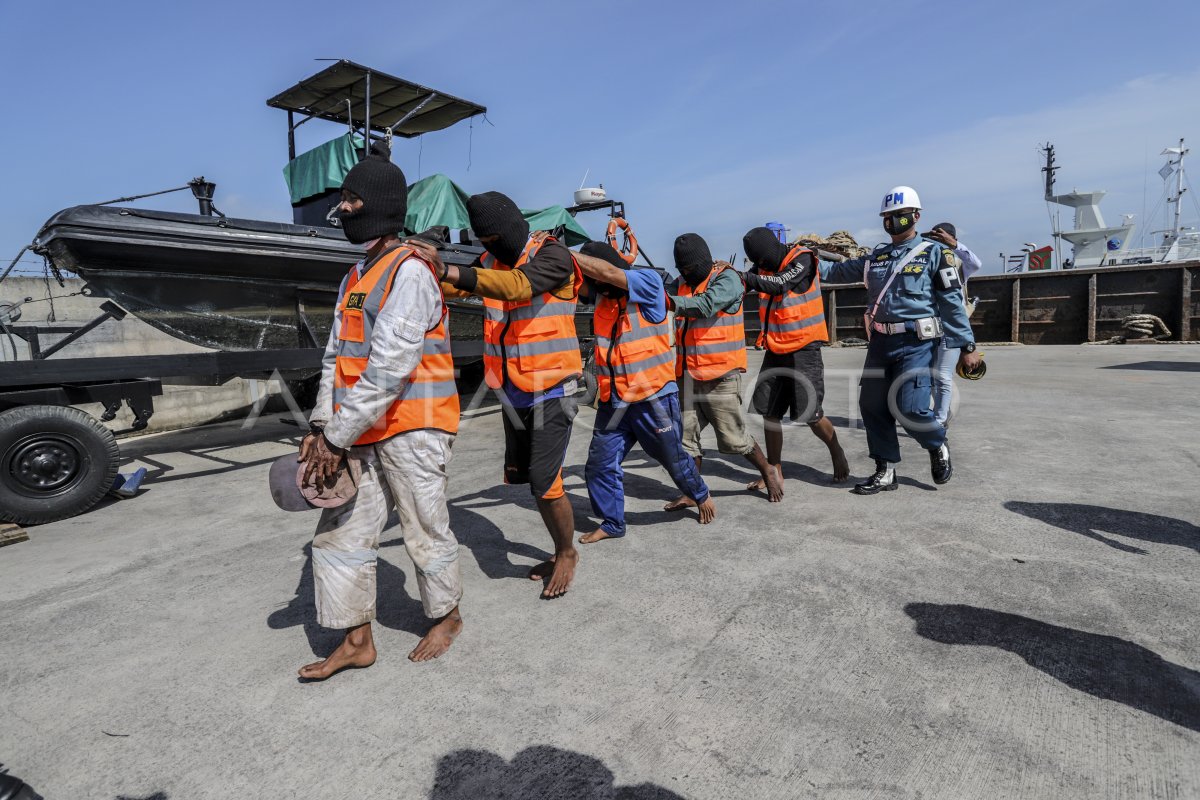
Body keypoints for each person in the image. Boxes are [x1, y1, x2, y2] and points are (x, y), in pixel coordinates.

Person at [299, 153, 463, 680]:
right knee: (341, 529)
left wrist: (337, 436)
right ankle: (356, 640)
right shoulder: (355, 275)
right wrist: (324, 427)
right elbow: (335, 357)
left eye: (350, 200)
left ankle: (447, 616)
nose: (340, 209)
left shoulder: (410, 273)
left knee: (424, 528)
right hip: (359, 431)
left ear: (379, 206)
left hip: (415, 427)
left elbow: (392, 366)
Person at [408, 192, 582, 598]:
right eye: (482, 242)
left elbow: (518, 287)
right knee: (526, 479)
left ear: (511, 230)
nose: (488, 248)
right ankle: (561, 548)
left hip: (555, 388)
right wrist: (420, 267)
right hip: (514, 388)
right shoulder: (490, 261)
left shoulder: (553, 256)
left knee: (545, 480)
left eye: (493, 240)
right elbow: (461, 287)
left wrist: (451, 269)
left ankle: (566, 553)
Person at [819, 186, 981, 494]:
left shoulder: (936, 254)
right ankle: (886, 469)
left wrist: (967, 346)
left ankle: (937, 443)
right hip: (880, 342)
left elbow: (951, 304)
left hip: (917, 342)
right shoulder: (876, 257)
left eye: (900, 216)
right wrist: (800, 261)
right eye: (888, 217)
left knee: (912, 408)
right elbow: (834, 271)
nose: (893, 221)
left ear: (916, 216)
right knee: (872, 406)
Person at [572, 241, 716, 543]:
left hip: (655, 399)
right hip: (615, 402)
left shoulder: (648, 284)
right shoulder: (603, 300)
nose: (595, 286)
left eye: (597, 278)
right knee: (599, 464)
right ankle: (612, 523)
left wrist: (566, 252)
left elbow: (608, 272)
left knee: (673, 459)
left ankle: (700, 494)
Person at [664, 233, 783, 508]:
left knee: (734, 438)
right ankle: (693, 491)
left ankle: (767, 470)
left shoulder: (727, 278)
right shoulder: (681, 282)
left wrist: (669, 302)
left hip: (720, 375)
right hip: (687, 374)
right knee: (686, 439)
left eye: (689, 270)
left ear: (702, 263)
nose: (685, 275)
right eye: (681, 270)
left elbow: (706, 305)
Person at [740, 227, 850, 492]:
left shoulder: (802, 259)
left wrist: (743, 276)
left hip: (804, 348)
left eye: (763, 261)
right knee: (768, 412)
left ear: (771, 252)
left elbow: (780, 285)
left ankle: (836, 450)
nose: (761, 267)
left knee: (810, 414)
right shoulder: (763, 266)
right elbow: (750, 282)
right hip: (776, 347)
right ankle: (775, 469)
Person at [924, 222, 982, 427]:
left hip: (952, 327)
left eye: (941, 238)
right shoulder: (928, 260)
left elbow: (976, 264)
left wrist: (955, 244)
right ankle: (942, 411)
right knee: (929, 375)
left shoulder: (958, 263)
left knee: (942, 375)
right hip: (929, 327)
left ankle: (940, 420)